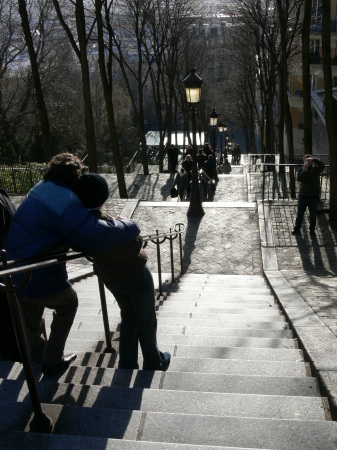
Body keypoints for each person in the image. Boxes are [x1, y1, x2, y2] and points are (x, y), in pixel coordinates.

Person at [4, 153, 140, 376]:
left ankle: (39, 363)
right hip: (38, 271)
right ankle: (52, 358)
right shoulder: (66, 202)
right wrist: (130, 224)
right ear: (75, 176)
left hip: (15, 268)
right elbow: (97, 235)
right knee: (68, 303)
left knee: (31, 316)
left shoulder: (40, 187)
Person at [72, 173, 171, 371]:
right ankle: (154, 361)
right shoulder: (102, 225)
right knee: (146, 319)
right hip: (135, 274)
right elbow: (134, 244)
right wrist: (123, 222)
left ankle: (127, 364)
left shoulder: (79, 222)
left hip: (110, 277)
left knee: (129, 317)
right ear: (103, 197)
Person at [291, 154, 325, 236]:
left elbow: (322, 165)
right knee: (300, 213)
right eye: (306, 160)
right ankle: (297, 228)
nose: (307, 162)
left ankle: (312, 230)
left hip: (314, 196)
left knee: (313, 214)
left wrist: (314, 159)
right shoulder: (301, 170)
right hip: (303, 195)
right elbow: (299, 178)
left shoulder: (316, 169)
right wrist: (305, 171)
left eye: (309, 160)